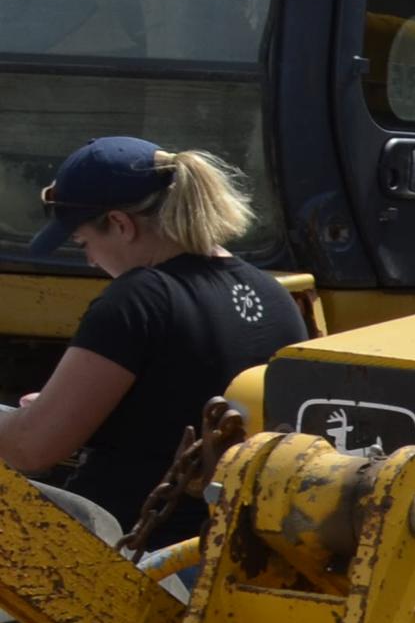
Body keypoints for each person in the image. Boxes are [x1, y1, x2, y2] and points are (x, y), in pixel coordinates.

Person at [0, 139, 304, 547]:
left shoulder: (139, 298)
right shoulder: (273, 294)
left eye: (83, 242)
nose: (89, 260)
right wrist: (64, 408)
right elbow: (178, 404)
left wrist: (37, 421)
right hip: (225, 551)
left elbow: (30, 449)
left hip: (125, 553)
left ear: (121, 224)